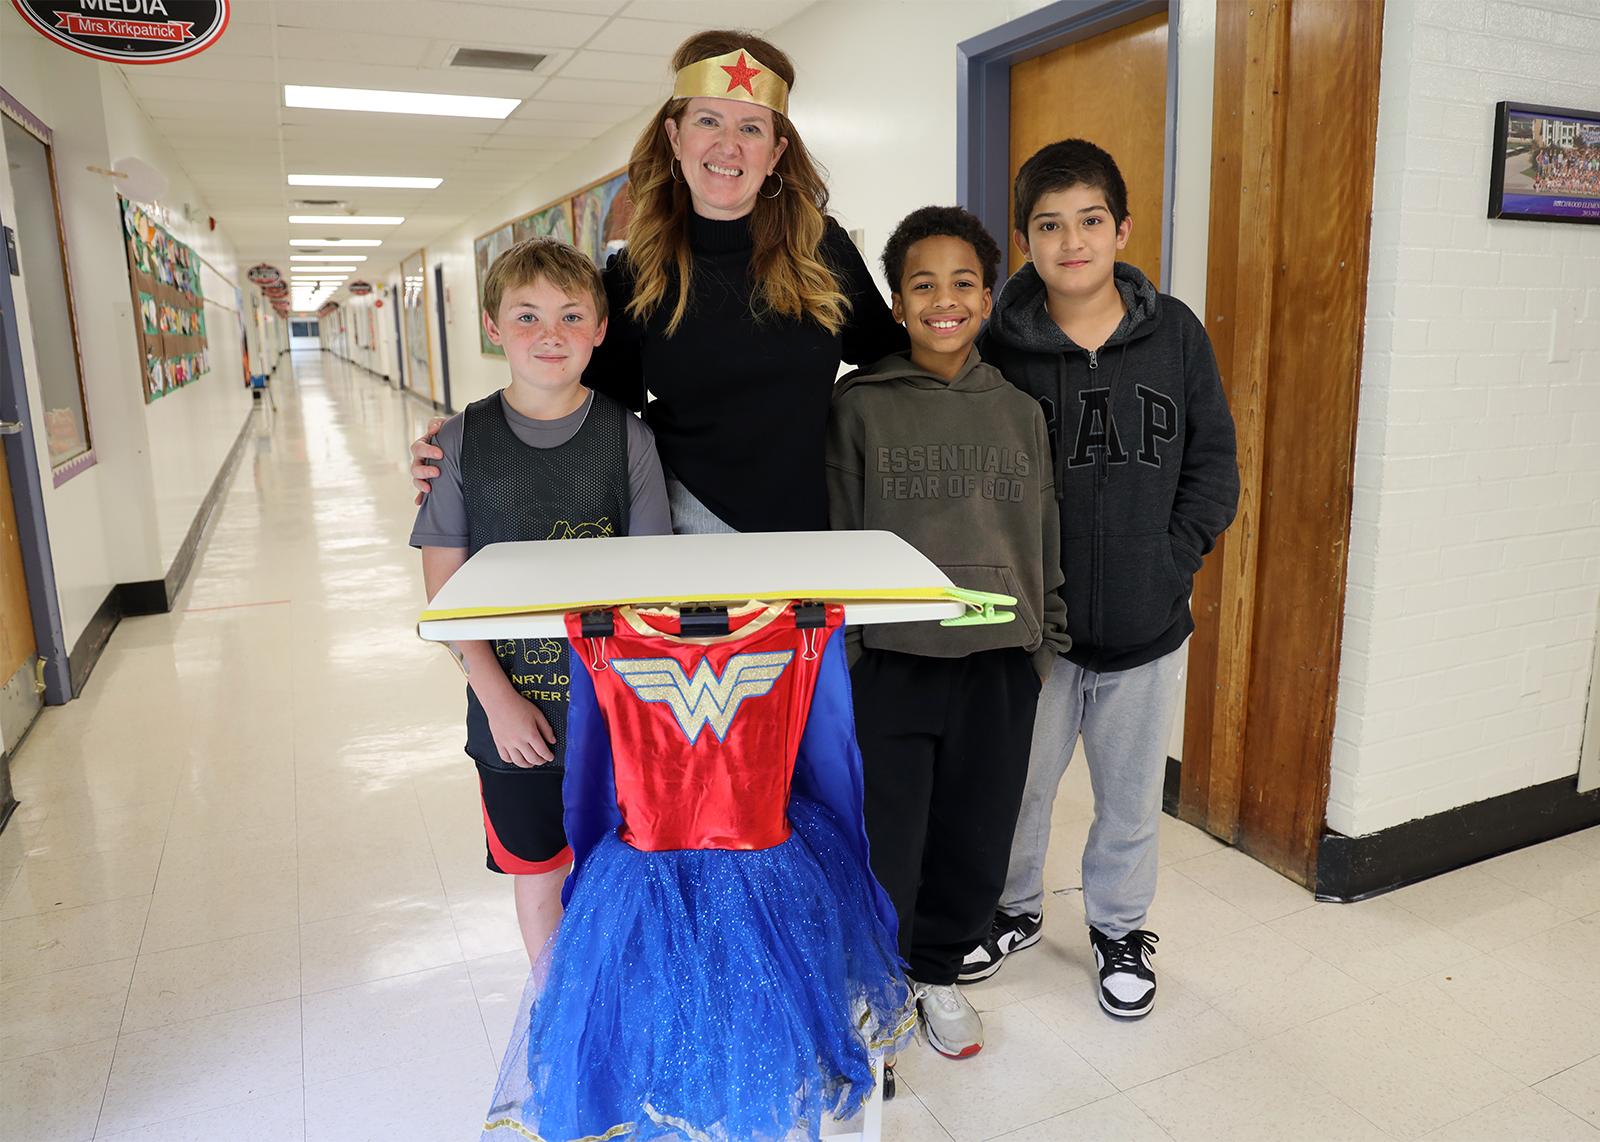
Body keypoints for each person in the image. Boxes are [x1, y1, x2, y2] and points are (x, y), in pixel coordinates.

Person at [411, 30, 907, 536]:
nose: (728, 146)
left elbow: (895, 360)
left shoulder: (822, 250)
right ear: (675, 137)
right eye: (708, 121)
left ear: (775, 153)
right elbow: (576, 397)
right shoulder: (637, 274)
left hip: (817, 521)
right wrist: (465, 442)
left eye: (751, 128)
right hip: (683, 520)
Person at [962, 140, 1239, 1019]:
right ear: (1025, 241)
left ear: (1122, 229)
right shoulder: (995, 344)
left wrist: (1171, 560)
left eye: (1089, 221)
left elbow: (1214, 464)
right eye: (1049, 226)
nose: (1071, 242)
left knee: (1128, 799)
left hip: (1147, 624)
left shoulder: (1177, 333)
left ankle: (1120, 926)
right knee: (1018, 787)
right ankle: (1011, 909)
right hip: (1030, 631)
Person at [483, 599, 913, 1142]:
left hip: (679, 863)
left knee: (732, 1012)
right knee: (699, 1010)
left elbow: (590, 774)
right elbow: (828, 752)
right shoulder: (801, 631)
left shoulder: (601, 637)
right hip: (727, 866)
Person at [826, 206, 1070, 1058]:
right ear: (896, 304)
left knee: (974, 834)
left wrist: (1045, 641)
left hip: (1000, 663)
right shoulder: (859, 407)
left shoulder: (1018, 410)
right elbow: (838, 532)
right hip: (893, 662)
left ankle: (936, 972)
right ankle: (877, 980)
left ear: (990, 295)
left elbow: (1042, 528)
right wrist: (854, 653)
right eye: (922, 284)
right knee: (887, 837)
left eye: (963, 282)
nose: (944, 299)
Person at [410, 237, 670, 964]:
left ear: (600, 329)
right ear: (492, 327)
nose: (549, 335)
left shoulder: (629, 439)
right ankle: (558, 1021)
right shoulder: (459, 443)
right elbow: (447, 599)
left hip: (618, 712)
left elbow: (652, 591)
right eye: (526, 316)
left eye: (569, 315)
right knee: (540, 880)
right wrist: (494, 698)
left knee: (623, 871)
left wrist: (635, 707)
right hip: (512, 715)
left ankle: (614, 1008)